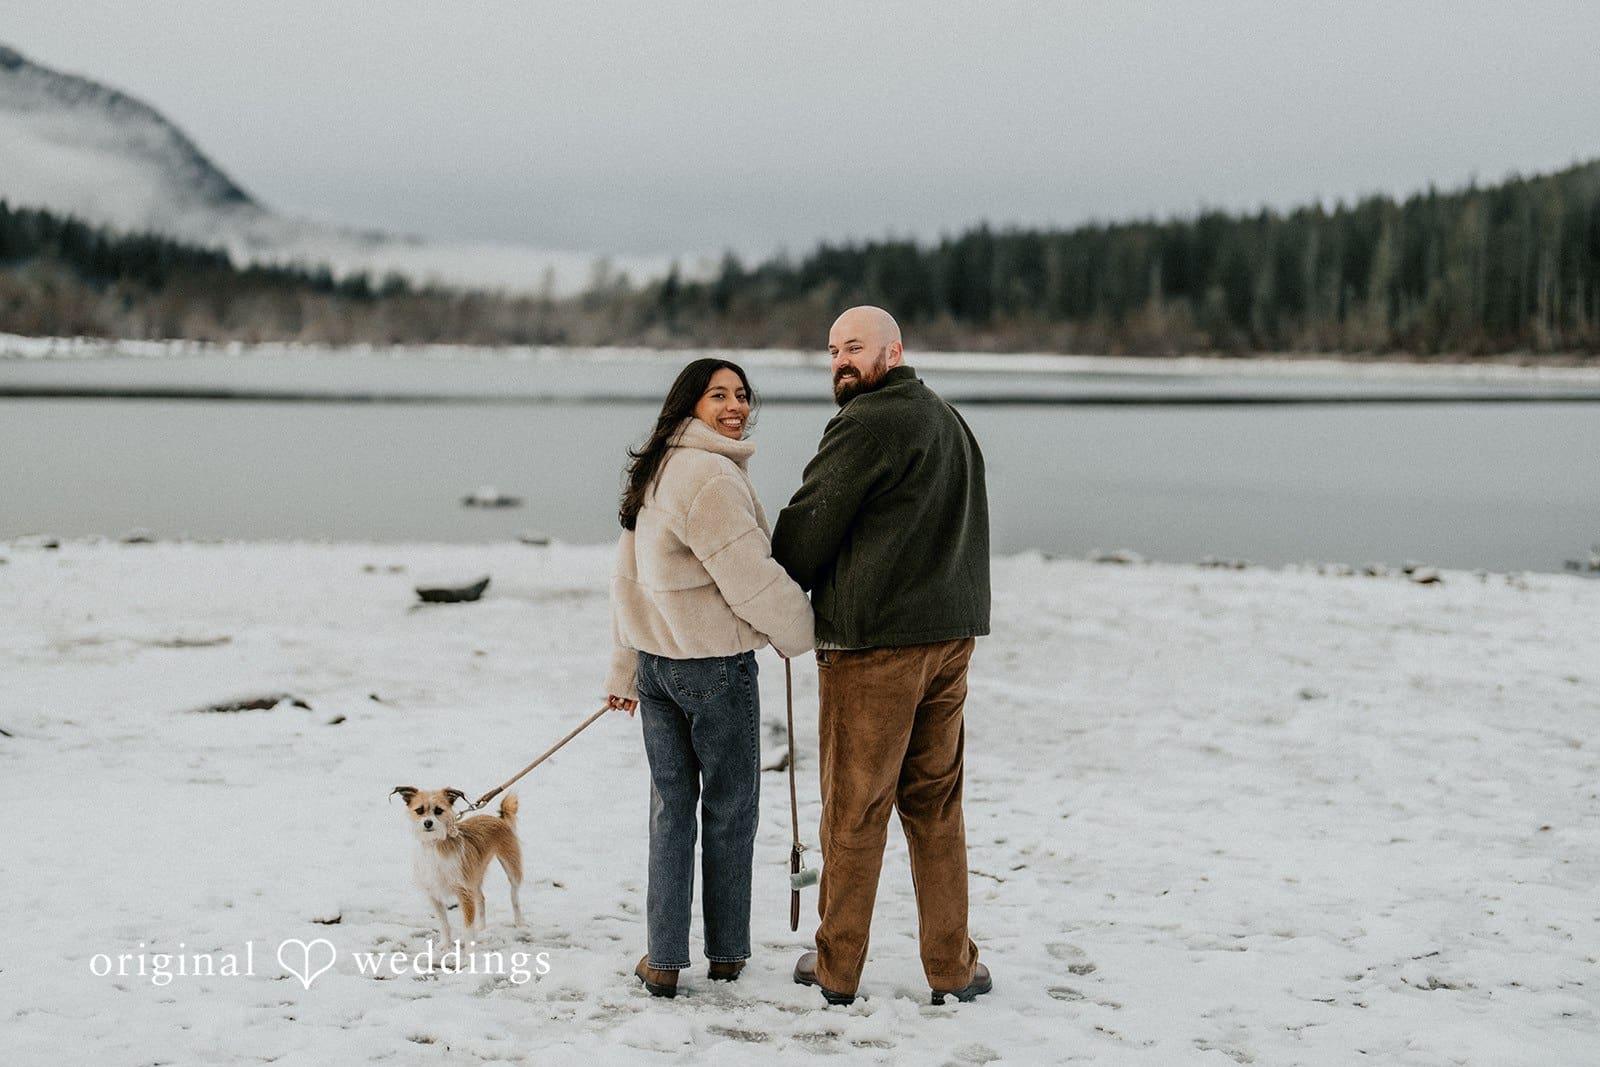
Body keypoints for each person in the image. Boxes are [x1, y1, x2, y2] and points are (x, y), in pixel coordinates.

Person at [771, 305, 992, 1006]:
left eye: (855, 346)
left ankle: (835, 970)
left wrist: (776, 581)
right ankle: (951, 967)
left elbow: (806, 529)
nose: (840, 359)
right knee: (934, 804)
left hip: (875, 649)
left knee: (855, 808)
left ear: (892, 351)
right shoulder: (947, 420)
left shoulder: (868, 421)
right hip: (949, 639)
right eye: (832, 347)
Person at [604, 357, 814, 999]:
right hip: (714, 668)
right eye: (717, 394)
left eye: (742, 395)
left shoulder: (659, 467)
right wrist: (802, 633)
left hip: (658, 669)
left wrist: (625, 668)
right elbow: (749, 577)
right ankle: (725, 954)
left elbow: (626, 580)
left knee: (671, 813)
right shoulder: (710, 477)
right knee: (729, 811)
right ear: (688, 403)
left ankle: (663, 959)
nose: (735, 406)